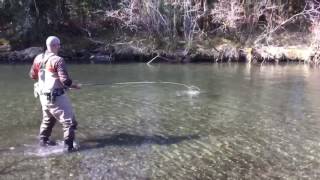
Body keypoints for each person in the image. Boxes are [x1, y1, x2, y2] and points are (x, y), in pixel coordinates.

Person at [29, 36, 81, 152]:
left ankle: (43, 142)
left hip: (43, 97)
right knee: (69, 123)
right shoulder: (58, 60)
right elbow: (66, 81)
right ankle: (69, 148)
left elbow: (32, 76)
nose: (59, 46)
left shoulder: (38, 58)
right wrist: (75, 85)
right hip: (56, 98)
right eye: (59, 44)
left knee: (49, 119)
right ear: (55, 46)